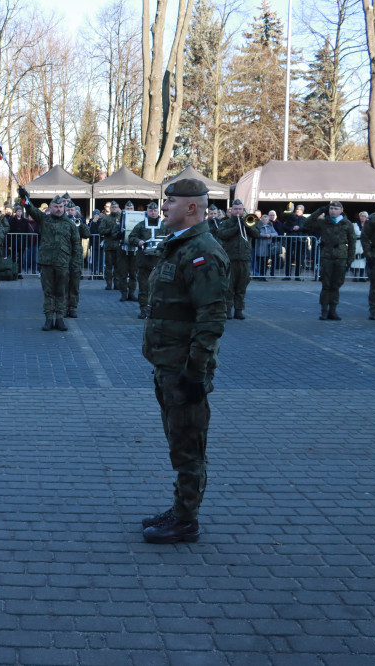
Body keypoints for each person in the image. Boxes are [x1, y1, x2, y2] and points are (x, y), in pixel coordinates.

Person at [140, 178, 229, 544]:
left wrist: (195, 372)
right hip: (169, 363)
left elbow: (211, 319)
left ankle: (186, 519)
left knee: (188, 446)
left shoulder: (202, 252)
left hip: (184, 369)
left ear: (192, 207)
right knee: (179, 441)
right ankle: (180, 507)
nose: (164, 208)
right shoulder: (180, 247)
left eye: (170, 202)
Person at [21, 190, 79, 331]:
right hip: (47, 263)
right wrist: (24, 197)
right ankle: (48, 319)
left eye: (60, 207)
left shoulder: (70, 224)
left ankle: (59, 319)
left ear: (64, 208)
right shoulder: (44, 219)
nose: (58, 209)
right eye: (55, 207)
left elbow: (76, 246)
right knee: (48, 292)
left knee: (61, 292)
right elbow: (30, 208)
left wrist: (75, 265)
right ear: (51, 208)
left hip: (63, 263)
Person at [305, 202, 356, 320]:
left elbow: (352, 242)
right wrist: (320, 210)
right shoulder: (324, 222)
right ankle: (324, 310)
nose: (333, 211)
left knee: (336, 284)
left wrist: (350, 259)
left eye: (335, 208)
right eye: (331, 208)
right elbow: (307, 223)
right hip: (327, 256)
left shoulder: (347, 223)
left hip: (341, 256)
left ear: (341, 210)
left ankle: (333, 310)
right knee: (326, 284)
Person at [214, 198, 260, 319]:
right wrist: (236, 227)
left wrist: (247, 225)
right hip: (231, 259)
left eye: (240, 209)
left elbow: (257, 234)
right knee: (229, 286)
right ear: (232, 210)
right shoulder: (227, 223)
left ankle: (239, 310)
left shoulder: (248, 221)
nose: (238, 211)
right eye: (236, 209)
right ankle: (228, 310)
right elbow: (222, 234)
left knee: (242, 286)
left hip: (244, 259)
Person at [128, 202, 168, 319]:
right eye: (151, 211)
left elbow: (173, 236)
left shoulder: (164, 225)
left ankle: (157, 310)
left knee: (159, 287)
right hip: (144, 261)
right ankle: (144, 309)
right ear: (147, 212)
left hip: (160, 261)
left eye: (155, 211)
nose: (153, 213)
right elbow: (131, 237)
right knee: (144, 287)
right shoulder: (141, 225)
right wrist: (138, 241)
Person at [66, 203, 89, 318]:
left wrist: (81, 224)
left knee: (75, 283)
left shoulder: (78, 221)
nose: (70, 212)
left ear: (76, 211)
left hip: (75, 257)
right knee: (64, 283)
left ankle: (73, 307)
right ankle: (64, 307)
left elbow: (86, 234)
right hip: (63, 256)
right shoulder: (62, 221)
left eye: (72, 210)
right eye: (68, 209)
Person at [117, 202, 139, 302]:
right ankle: (123, 294)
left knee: (133, 273)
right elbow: (115, 233)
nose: (129, 210)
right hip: (123, 249)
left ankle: (132, 293)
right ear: (124, 209)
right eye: (127, 208)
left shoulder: (139, 219)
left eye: (131, 208)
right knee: (123, 273)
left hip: (134, 250)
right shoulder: (120, 219)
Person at [98, 202, 122, 291]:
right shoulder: (106, 218)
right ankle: (108, 284)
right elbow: (100, 230)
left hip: (119, 247)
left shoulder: (122, 218)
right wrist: (110, 230)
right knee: (108, 267)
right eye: (113, 207)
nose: (114, 208)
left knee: (118, 267)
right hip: (109, 246)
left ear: (118, 208)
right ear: (110, 208)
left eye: (116, 207)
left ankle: (117, 284)